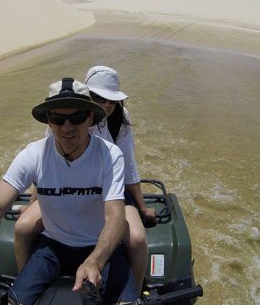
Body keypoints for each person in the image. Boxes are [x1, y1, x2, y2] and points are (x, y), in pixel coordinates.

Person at [0, 77, 138, 305]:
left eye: (76, 118)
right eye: (58, 118)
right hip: (52, 246)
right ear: (48, 121)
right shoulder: (33, 155)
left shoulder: (110, 155)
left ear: (90, 119)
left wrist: (95, 261)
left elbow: (115, 216)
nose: (67, 127)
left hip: (100, 246)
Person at [14, 66, 156, 291]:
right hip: (66, 188)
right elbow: (46, 165)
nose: (106, 104)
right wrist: (33, 203)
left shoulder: (120, 118)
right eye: (98, 97)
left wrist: (142, 206)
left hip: (110, 189)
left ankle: (135, 292)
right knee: (23, 228)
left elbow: (128, 165)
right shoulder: (62, 117)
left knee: (137, 240)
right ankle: (24, 281)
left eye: (111, 99)